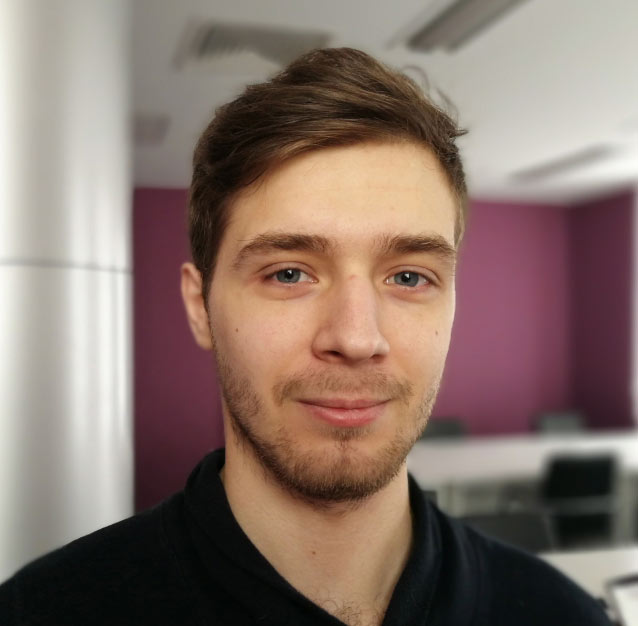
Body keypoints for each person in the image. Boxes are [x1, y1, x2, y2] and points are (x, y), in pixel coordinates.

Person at [0, 48, 610, 626]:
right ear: (200, 307)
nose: (356, 337)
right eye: (288, 273)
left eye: (408, 276)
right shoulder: (42, 613)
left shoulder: (561, 615)